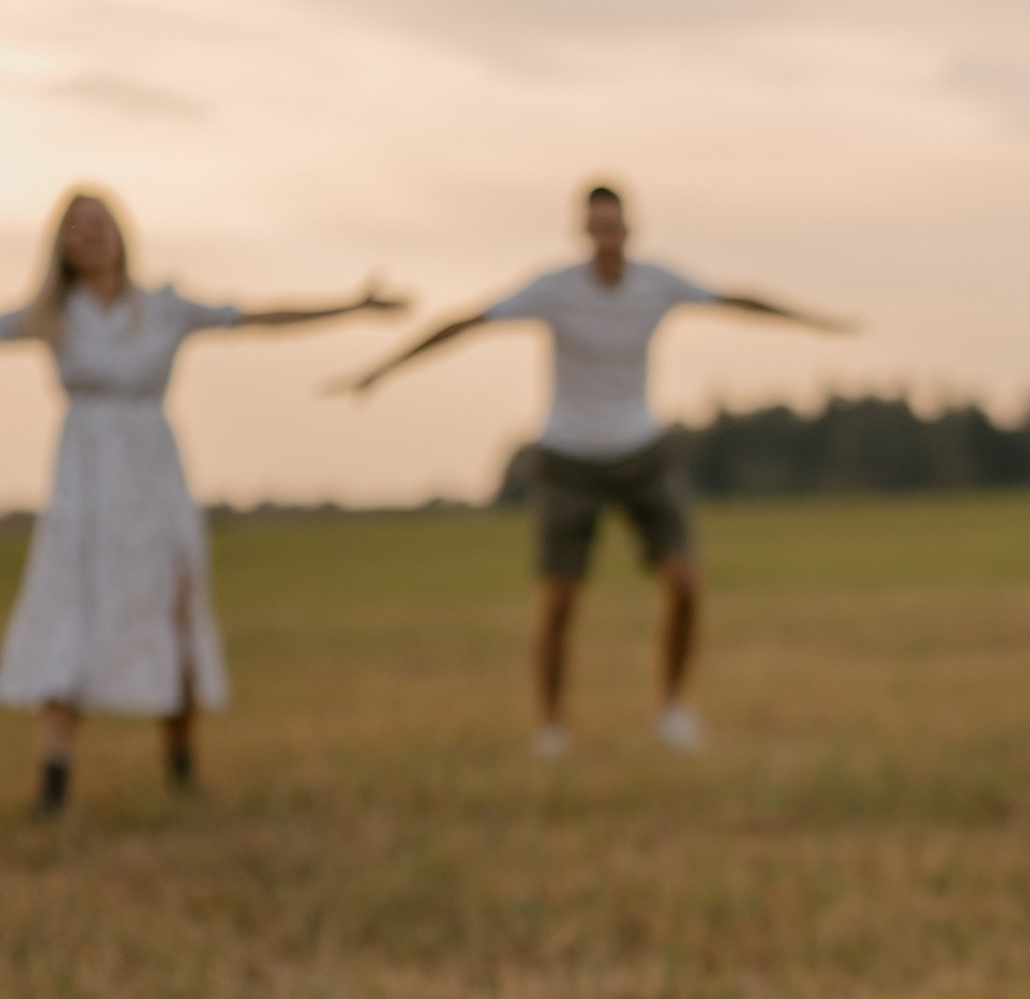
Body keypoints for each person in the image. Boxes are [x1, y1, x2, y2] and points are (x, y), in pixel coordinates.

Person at [338, 183, 849, 754]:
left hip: (642, 450)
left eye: (616, 227)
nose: (608, 239)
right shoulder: (556, 289)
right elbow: (467, 322)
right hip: (568, 457)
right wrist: (380, 372)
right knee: (559, 601)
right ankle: (551, 727)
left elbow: (735, 300)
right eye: (598, 228)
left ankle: (671, 709)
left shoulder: (657, 283)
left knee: (684, 583)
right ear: (585, 235)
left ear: (630, 231)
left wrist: (817, 322)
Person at [0, 191, 405, 815]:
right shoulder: (51, 315)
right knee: (71, 612)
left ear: (118, 233)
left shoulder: (163, 307)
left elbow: (253, 319)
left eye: (98, 224)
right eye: (75, 229)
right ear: (62, 245)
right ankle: (54, 778)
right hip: (84, 484)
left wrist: (351, 305)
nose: (89, 237)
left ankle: (182, 764)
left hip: (153, 478)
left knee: (173, 607)